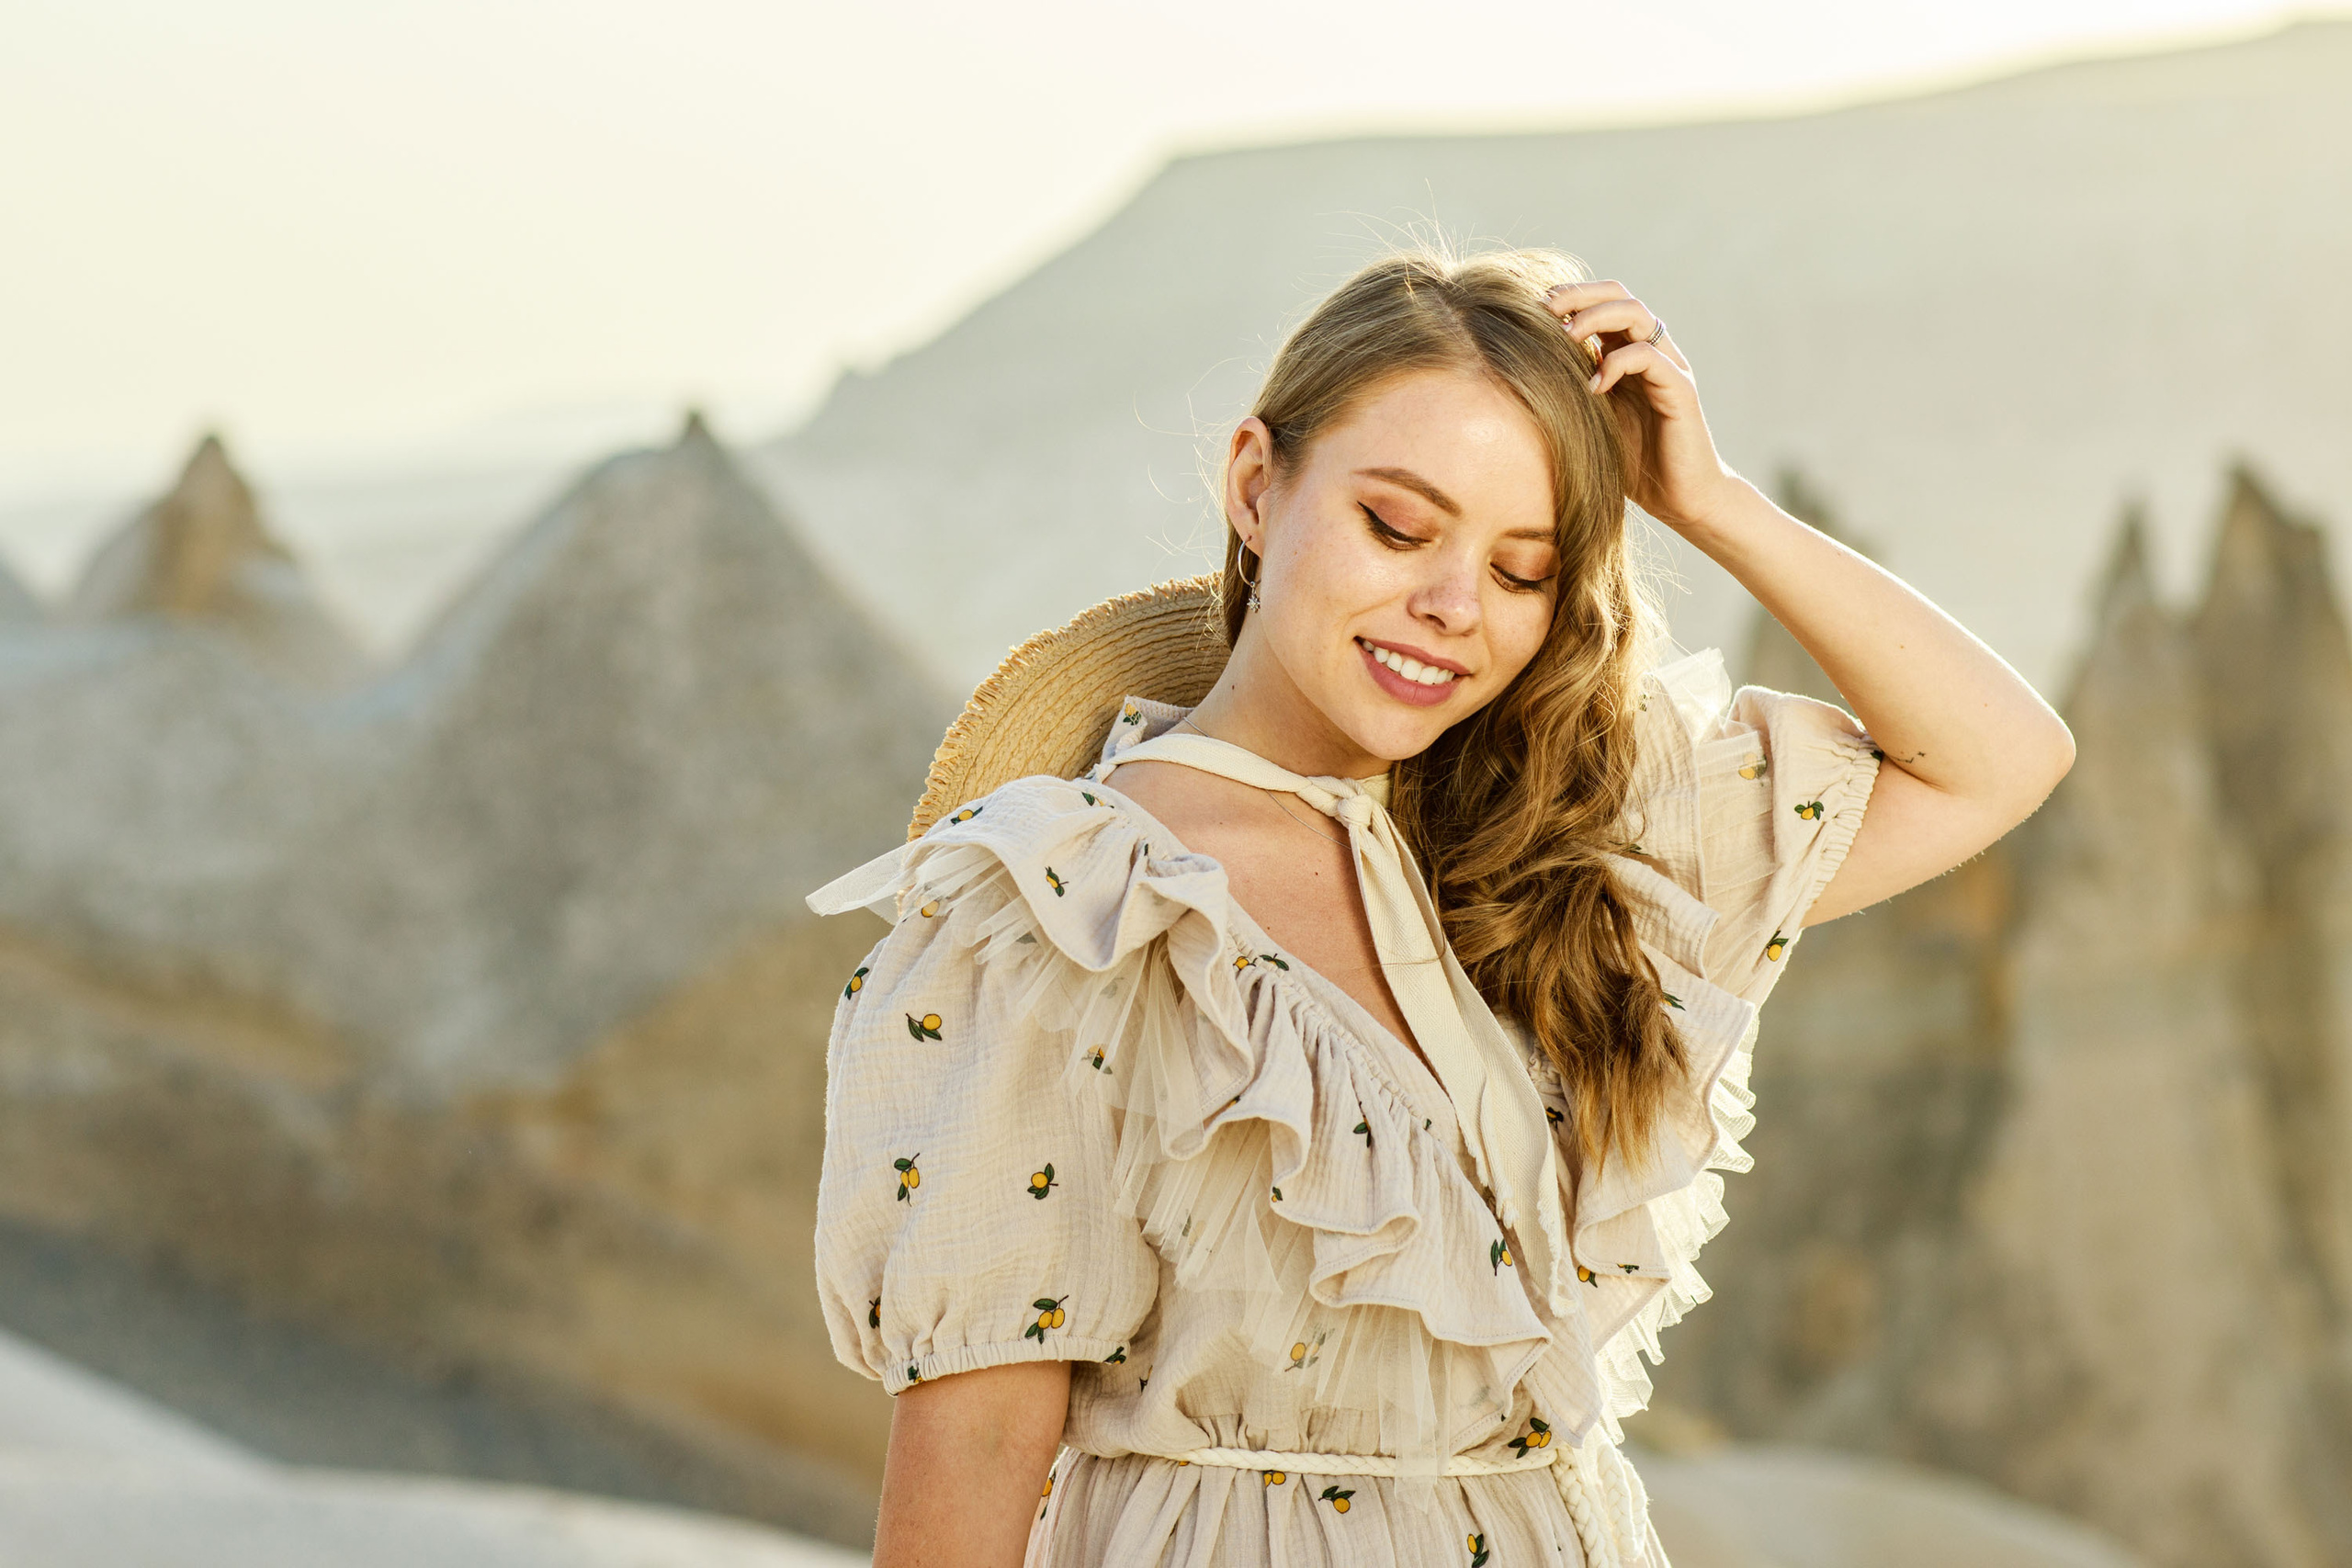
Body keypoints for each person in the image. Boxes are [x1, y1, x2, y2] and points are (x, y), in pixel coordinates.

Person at [804, 245, 2075, 1568]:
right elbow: (974, 1460)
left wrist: (1709, 501)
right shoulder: (1068, 911)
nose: (1453, 607)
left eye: (1524, 570)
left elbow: (1997, 761)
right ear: (1256, 485)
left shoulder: (1566, 845)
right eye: (1398, 528)